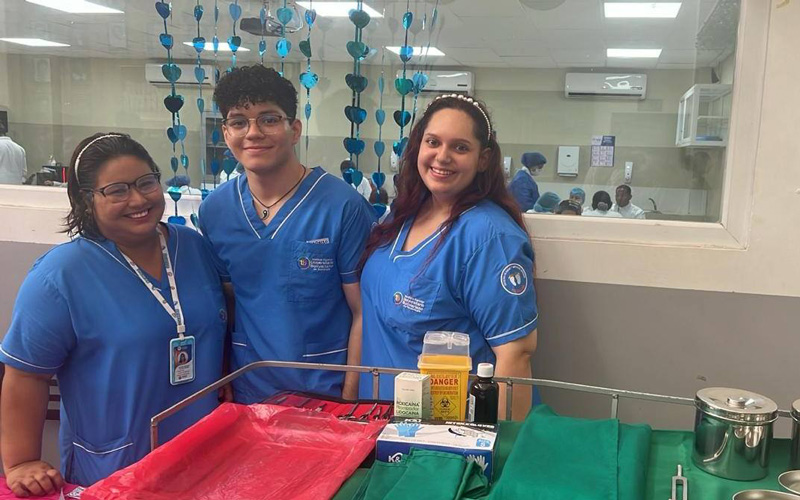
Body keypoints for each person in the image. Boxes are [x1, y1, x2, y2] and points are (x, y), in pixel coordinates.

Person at [0, 133, 227, 493]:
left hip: (203, 456)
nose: (138, 199)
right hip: (114, 465)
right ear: (86, 200)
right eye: (117, 190)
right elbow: (26, 375)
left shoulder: (194, 248)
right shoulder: (60, 275)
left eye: (146, 182)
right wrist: (21, 460)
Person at [198, 65, 376, 403]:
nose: (253, 132)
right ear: (225, 133)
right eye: (238, 121)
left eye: (268, 119)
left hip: (325, 392)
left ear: (294, 129)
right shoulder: (216, 212)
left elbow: (362, 313)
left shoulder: (343, 207)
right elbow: (230, 304)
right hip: (249, 393)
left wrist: (351, 401)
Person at [359, 94, 538, 420]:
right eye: (433, 142)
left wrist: (495, 451)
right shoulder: (399, 217)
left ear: (483, 159)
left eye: (460, 147)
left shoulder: (489, 237)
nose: (442, 157)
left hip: (444, 430)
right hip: (378, 417)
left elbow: (517, 354)